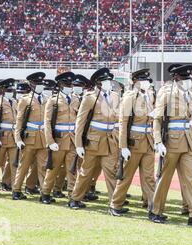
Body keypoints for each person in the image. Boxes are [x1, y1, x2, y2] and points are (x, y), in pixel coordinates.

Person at [151, 64, 192, 226]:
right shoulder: (167, 94)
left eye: (189, 79)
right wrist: (158, 142)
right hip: (172, 141)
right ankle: (156, 210)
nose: (188, 82)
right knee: (165, 178)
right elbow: (157, 118)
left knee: (190, 179)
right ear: (177, 79)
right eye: (185, 79)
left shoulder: (190, 95)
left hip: (188, 140)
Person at [68, 68, 120, 209]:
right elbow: (80, 121)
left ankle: (115, 204)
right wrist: (78, 144)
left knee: (111, 172)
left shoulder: (115, 96)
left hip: (110, 140)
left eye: (109, 80)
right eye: (105, 81)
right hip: (94, 141)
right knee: (86, 172)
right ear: (98, 83)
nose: (108, 83)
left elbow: (117, 120)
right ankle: (75, 198)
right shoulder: (90, 97)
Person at [109, 69, 156, 216]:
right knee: (127, 176)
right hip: (134, 142)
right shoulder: (130, 96)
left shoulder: (148, 96)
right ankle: (115, 205)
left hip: (148, 140)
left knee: (149, 177)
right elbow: (123, 122)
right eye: (143, 80)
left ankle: (153, 207)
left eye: (147, 80)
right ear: (135, 81)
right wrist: (123, 146)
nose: (147, 82)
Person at [40, 72, 78, 204]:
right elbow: (47, 122)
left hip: (72, 140)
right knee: (53, 169)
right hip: (59, 140)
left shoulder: (76, 99)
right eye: (67, 84)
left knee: (72, 170)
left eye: (70, 84)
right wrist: (50, 141)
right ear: (60, 85)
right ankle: (45, 193)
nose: (69, 86)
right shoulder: (53, 100)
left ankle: (73, 197)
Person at [12, 72, 48, 201]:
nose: (40, 86)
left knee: (43, 167)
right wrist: (18, 139)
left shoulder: (46, 99)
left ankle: (45, 193)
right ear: (31, 84)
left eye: (41, 83)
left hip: (43, 137)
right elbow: (19, 121)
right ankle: (16, 190)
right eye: (37, 83)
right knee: (24, 166)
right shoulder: (25, 100)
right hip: (29, 137)